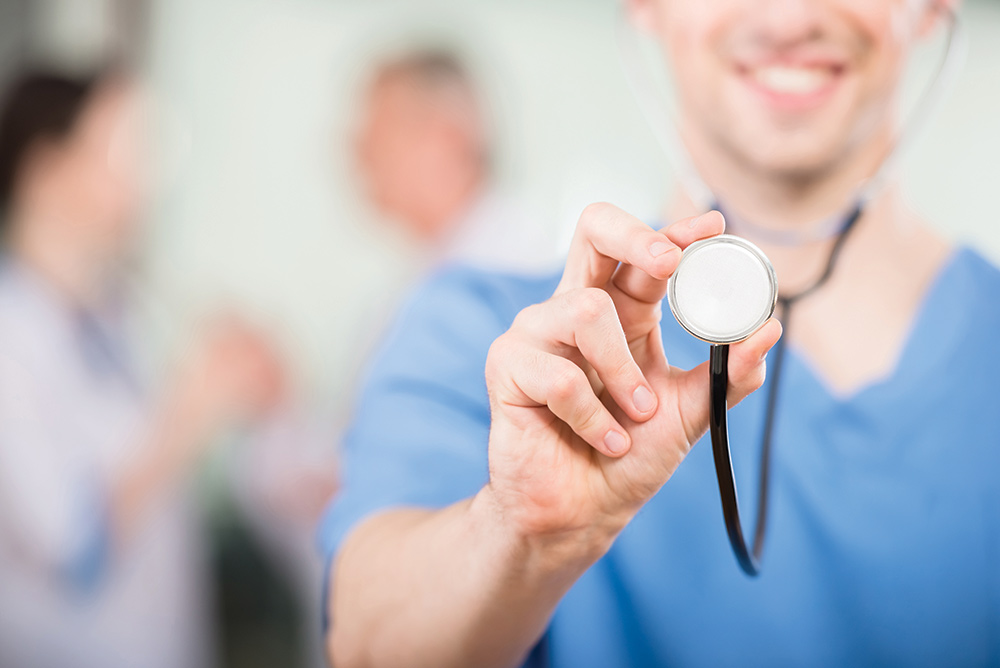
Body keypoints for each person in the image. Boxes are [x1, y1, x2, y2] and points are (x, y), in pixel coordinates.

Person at [321, 1, 1000, 666]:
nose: (790, 18)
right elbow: (363, 645)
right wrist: (516, 538)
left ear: (937, 7)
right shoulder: (487, 339)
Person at [0, 69, 285, 668]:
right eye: (118, 151)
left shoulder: (116, 313)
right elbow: (72, 545)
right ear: (46, 168)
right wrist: (192, 411)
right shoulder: (12, 333)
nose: (142, 179)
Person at [355, 47, 557, 273]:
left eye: (383, 131)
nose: (362, 153)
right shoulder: (430, 270)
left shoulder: (518, 268)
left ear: (449, 136)